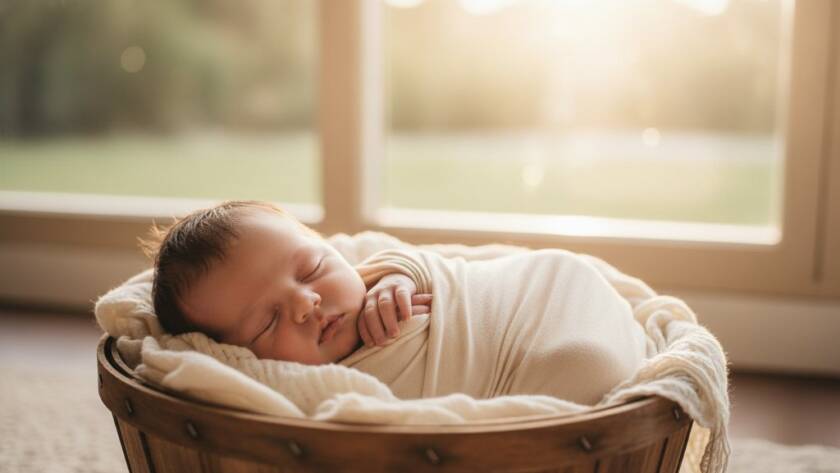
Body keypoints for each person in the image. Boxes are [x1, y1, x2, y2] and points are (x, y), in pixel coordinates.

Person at [147, 200, 647, 404]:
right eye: (266, 323)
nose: (305, 303)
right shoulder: (308, 388)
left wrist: (400, 277)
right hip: (532, 369)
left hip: (544, 293)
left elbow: (416, 262)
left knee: (579, 363)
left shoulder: (375, 280)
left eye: (312, 269)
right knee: (574, 370)